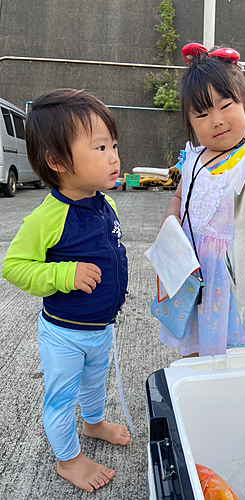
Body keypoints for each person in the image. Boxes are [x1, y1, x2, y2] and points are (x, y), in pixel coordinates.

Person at [2, 89, 130, 493]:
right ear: (58, 162)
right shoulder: (47, 217)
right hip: (64, 333)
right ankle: (68, 459)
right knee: (61, 396)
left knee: (96, 385)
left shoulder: (104, 203)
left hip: (100, 329)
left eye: (113, 145)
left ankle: (92, 424)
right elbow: (14, 267)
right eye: (99, 147)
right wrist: (64, 274)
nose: (113, 156)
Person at [159, 43, 245, 357]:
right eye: (202, 113)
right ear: (190, 122)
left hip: (233, 277)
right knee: (193, 350)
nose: (217, 120)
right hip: (194, 273)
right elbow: (180, 196)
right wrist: (170, 222)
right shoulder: (193, 159)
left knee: (234, 355)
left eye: (226, 106)